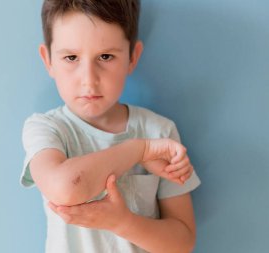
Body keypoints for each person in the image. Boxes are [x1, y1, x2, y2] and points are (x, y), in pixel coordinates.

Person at [20, 0, 201, 252]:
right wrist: (140, 151)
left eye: (106, 56)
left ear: (132, 57)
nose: (89, 79)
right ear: (48, 59)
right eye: (71, 57)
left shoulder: (160, 132)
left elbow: (183, 242)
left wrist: (123, 222)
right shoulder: (46, 128)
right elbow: (64, 188)